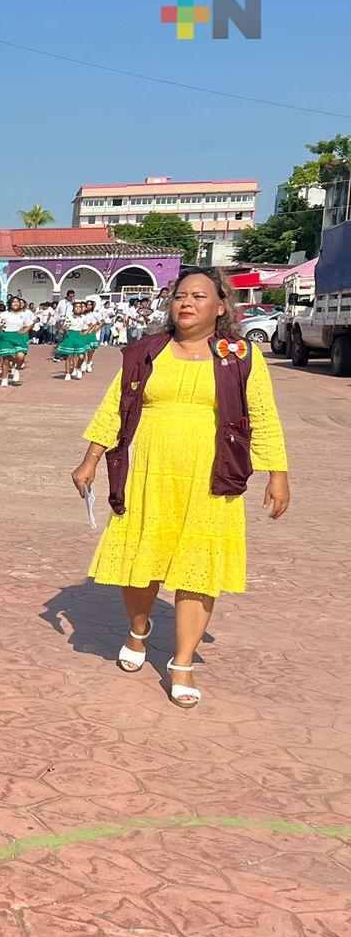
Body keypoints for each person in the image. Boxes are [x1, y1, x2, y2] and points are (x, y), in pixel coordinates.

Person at [70, 267, 289, 708]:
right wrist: (91, 457)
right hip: (148, 472)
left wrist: (277, 472)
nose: (186, 303)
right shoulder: (147, 351)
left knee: (198, 569)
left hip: (211, 477)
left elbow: (262, 414)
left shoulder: (239, 355)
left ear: (221, 307)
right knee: (139, 564)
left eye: (199, 296)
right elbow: (115, 406)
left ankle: (182, 662)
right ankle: (139, 629)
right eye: (180, 295)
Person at [0, 296, 35, 386]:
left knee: (21, 356)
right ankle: (4, 378)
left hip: (18, 336)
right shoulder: (4, 314)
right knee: (6, 359)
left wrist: (25, 330)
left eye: (17, 302)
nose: (16, 303)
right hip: (6, 336)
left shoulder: (24, 314)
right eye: (14, 302)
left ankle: (17, 369)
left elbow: (31, 323)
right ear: (10, 304)